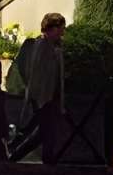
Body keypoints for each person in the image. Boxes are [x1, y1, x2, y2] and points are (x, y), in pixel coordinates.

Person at [5, 11, 68, 159]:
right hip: (43, 98)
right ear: (53, 28)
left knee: (43, 132)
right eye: (61, 28)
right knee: (46, 133)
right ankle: (18, 155)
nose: (63, 32)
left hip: (48, 98)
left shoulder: (53, 47)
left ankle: (16, 154)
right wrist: (39, 99)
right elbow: (37, 74)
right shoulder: (42, 46)